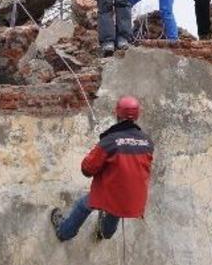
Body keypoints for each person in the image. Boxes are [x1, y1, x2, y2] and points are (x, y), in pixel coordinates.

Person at [50, 96, 154, 241]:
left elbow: (87, 169)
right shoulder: (147, 142)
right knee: (115, 208)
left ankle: (64, 232)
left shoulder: (109, 141)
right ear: (137, 115)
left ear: (117, 113)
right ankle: (105, 233)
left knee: (84, 205)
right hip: (136, 198)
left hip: (113, 194)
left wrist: (99, 149)